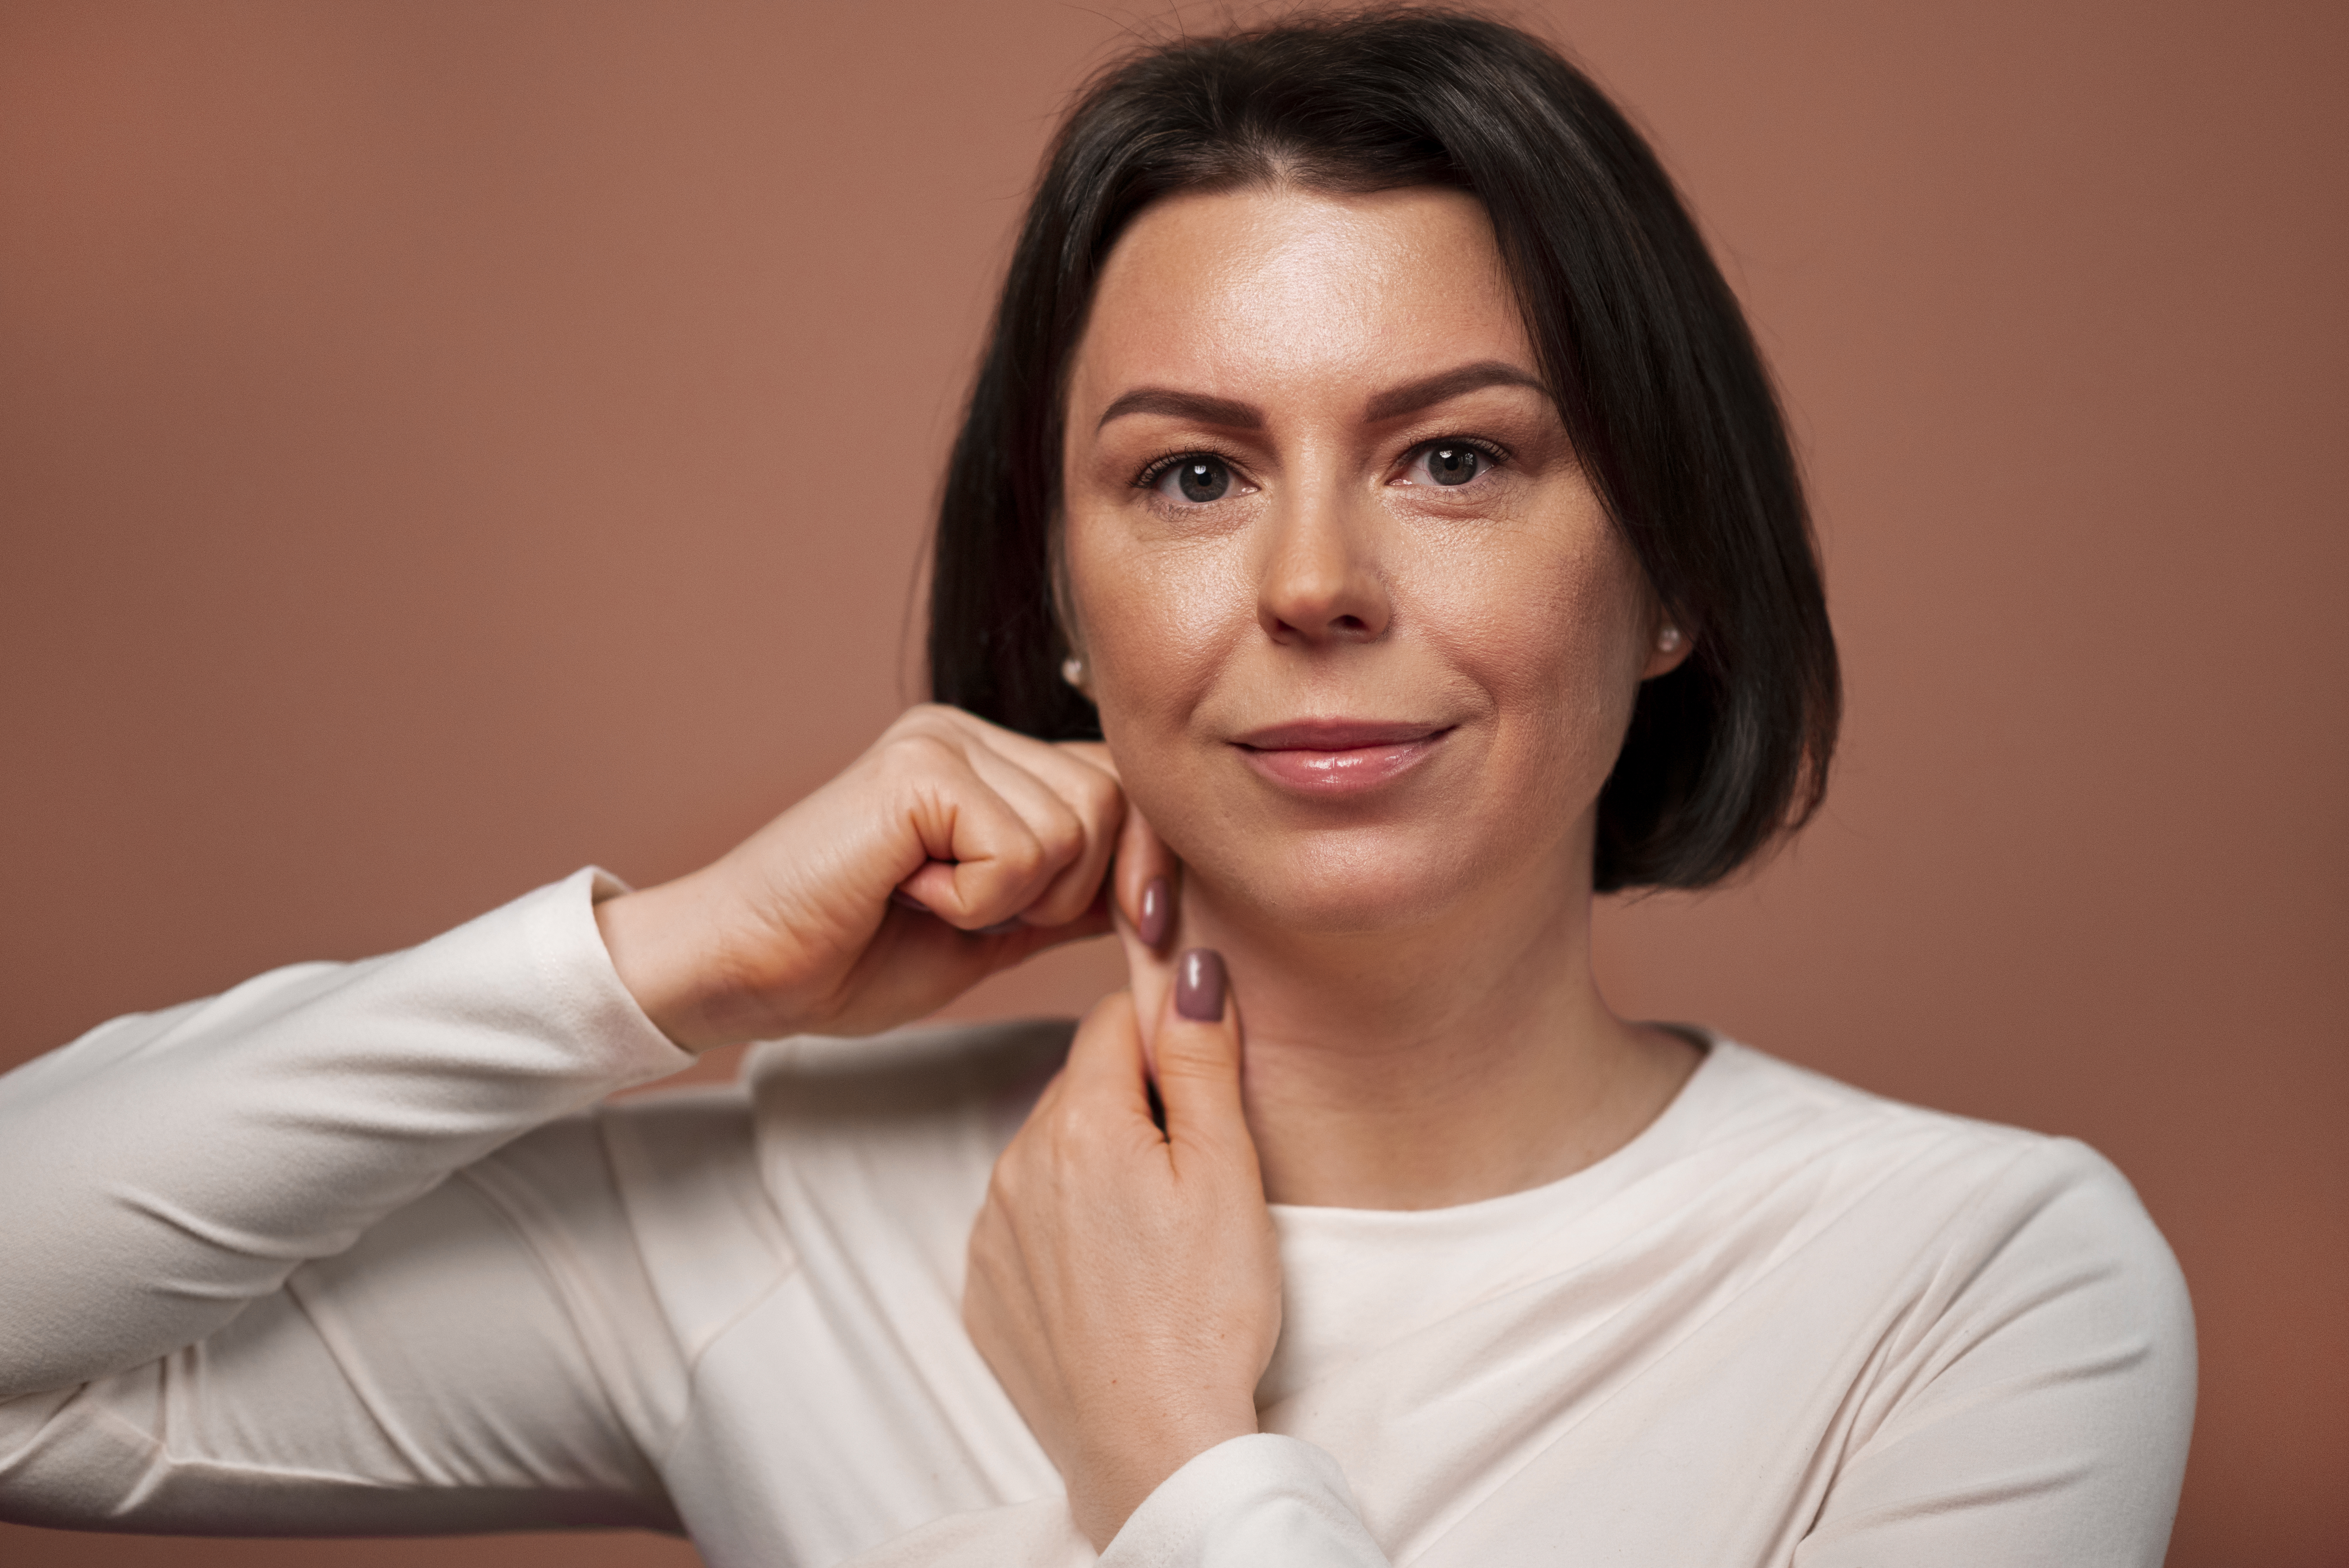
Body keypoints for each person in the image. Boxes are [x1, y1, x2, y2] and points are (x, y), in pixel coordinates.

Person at [0, 10, 2193, 1565]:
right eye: (1191, 475)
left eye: (1454, 456)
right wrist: (651, 969)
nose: (1315, 581)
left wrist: (1168, 1462)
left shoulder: (1975, 1279)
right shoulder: (797, 1213)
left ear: (1674, 572)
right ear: (1056, 596)